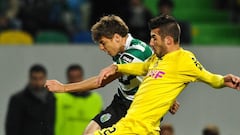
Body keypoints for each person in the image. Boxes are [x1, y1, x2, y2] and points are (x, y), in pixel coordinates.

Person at [93, 14, 240, 135]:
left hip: (136, 128)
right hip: (139, 128)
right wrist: (116, 67)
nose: (151, 42)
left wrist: (223, 80)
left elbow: (210, 78)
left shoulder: (185, 59)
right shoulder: (156, 58)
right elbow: (142, 67)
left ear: (168, 40)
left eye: (154, 38)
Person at [44, 15, 180, 135]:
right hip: (121, 103)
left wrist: (63, 88)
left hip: (141, 111)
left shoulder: (135, 53)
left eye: (103, 43)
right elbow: (153, 75)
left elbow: (101, 82)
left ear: (116, 37)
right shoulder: (122, 50)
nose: (101, 48)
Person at [5, 64, 55, 135]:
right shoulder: (18, 100)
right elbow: (12, 127)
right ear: (29, 78)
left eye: (40, 78)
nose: (38, 82)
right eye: (35, 78)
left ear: (45, 78)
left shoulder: (52, 99)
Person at [54, 64, 103, 135]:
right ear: (68, 78)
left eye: (78, 77)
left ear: (82, 77)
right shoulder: (59, 97)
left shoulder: (96, 99)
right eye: (72, 78)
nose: (75, 81)